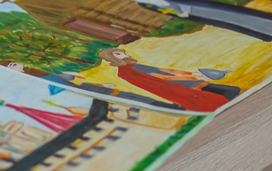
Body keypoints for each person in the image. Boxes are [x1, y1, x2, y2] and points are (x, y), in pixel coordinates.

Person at [96, 0, 272, 42]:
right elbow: (165, 10)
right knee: (234, 22)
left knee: (239, 15)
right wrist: (180, 14)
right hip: (198, 13)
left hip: (204, 7)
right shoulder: (144, 3)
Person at [0, 61, 184, 110]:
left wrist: (100, 83)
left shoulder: (39, 73)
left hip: (87, 88)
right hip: (81, 96)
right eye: (12, 65)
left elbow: (70, 79)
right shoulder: (32, 83)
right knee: (124, 101)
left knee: (125, 96)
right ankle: (162, 107)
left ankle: (166, 106)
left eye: (14, 63)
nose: (17, 65)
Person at [97, 48, 238, 112]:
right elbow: (162, 75)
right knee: (230, 93)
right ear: (112, 57)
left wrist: (193, 75)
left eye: (122, 52)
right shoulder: (132, 68)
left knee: (225, 96)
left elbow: (161, 74)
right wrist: (194, 76)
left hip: (173, 89)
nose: (125, 54)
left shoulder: (124, 71)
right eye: (118, 54)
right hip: (181, 85)